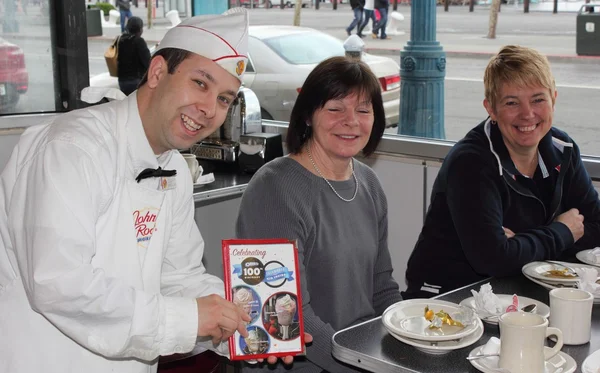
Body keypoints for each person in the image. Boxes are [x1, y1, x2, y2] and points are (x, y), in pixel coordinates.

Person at [0, 9, 309, 372]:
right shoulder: (72, 148)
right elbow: (59, 284)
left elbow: (179, 276)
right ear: (158, 72)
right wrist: (191, 319)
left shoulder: (174, 167)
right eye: (200, 83)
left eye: (225, 99)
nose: (209, 109)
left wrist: (250, 325)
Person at [236, 56, 403, 372]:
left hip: (359, 355)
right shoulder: (274, 188)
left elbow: (382, 286)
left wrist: (411, 341)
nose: (351, 120)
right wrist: (365, 367)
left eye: (363, 110)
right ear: (309, 116)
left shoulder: (368, 183)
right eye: (335, 108)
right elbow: (289, 314)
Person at [403, 45, 600, 299]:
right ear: (491, 109)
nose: (527, 114)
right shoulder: (471, 163)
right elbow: (493, 259)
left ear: (554, 98)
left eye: (538, 99)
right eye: (511, 102)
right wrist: (561, 231)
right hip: (448, 297)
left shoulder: (564, 149)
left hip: (518, 292)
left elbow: (596, 226)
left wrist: (521, 243)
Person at [117, 16, 150, 95]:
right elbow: (147, 62)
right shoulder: (139, 41)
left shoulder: (121, 40)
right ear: (139, 29)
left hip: (122, 81)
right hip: (135, 81)